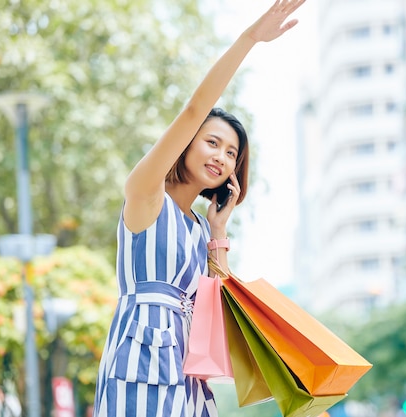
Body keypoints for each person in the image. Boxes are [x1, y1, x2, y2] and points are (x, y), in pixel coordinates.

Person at [92, 1, 306, 416]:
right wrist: (249, 40)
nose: (222, 157)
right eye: (212, 142)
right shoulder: (146, 194)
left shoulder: (197, 228)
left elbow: (217, 306)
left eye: (231, 153)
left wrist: (219, 231)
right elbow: (194, 109)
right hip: (139, 363)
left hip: (187, 372)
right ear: (187, 141)